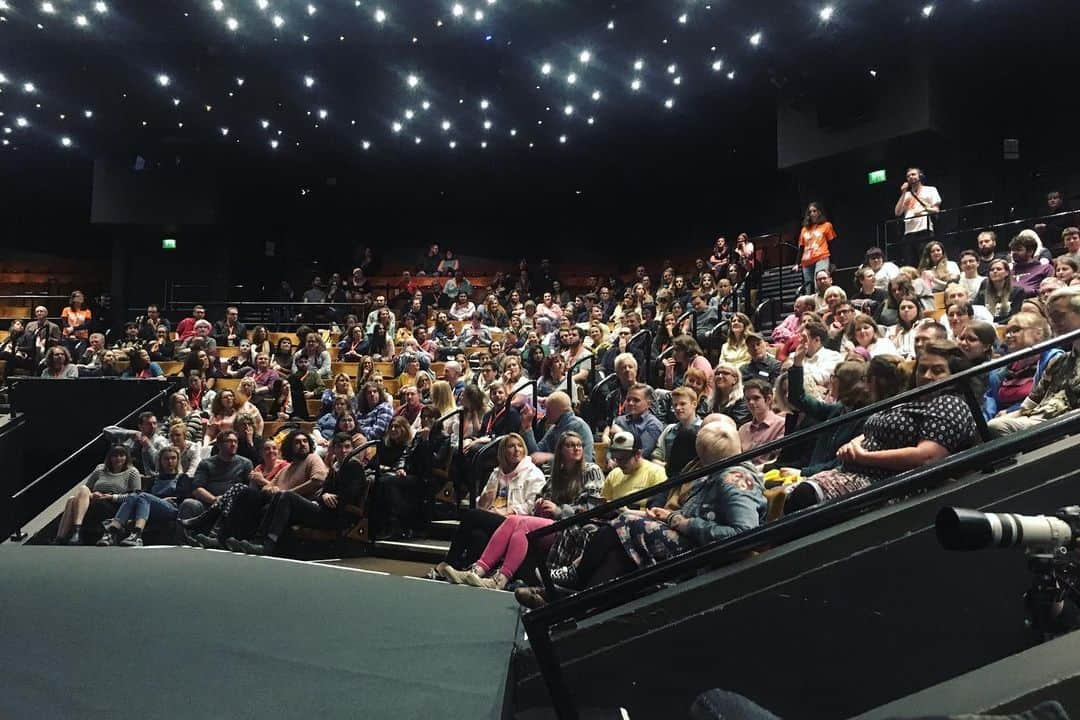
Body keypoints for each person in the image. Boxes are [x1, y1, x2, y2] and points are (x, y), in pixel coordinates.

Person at [544, 420, 764, 593]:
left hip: (705, 554)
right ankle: (575, 600)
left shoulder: (734, 481)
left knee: (626, 521)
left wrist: (683, 522)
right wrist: (669, 515)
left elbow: (744, 534)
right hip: (690, 539)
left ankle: (575, 575)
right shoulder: (718, 471)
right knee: (619, 554)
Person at [785, 341, 978, 512]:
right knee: (786, 494)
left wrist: (864, 456)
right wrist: (856, 441)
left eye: (937, 370)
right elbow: (876, 428)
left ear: (955, 373)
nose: (927, 376)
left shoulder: (950, 403)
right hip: (857, 472)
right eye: (922, 369)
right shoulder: (910, 400)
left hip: (891, 484)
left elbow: (928, 457)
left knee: (805, 496)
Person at [437, 431, 605, 589]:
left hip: (571, 526)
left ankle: (500, 578)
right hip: (548, 523)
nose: (576, 448)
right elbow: (542, 497)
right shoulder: (557, 474)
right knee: (504, 524)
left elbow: (591, 507)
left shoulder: (591, 470)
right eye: (570, 445)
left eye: (579, 445)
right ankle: (478, 570)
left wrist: (559, 510)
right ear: (561, 450)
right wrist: (541, 502)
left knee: (516, 521)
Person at [441, 434, 546, 571]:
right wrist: (483, 500)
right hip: (493, 516)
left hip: (515, 521)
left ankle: (448, 563)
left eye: (520, 446)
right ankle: (471, 570)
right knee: (478, 535)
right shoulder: (497, 473)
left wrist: (510, 511)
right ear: (503, 451)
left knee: (471, 515)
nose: (516, 450)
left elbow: (532, 506)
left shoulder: (533, 473)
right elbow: (483, 504)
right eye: (511, 446)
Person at [987, 288, 1080, 436]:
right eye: (1051, 317)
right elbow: (1030, 404)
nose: (1053, 322)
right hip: (1039, 420)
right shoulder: (1058, 362)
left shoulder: (1052, 356)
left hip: (1066, 428)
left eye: (1059, 315)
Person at [97, 446, 189, 547]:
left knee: (143, 496)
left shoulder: (182, 478)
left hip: (171, 509)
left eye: (173, 458)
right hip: (150, 507)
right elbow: (140, 498)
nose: (170, 461)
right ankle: (112, 532)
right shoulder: (154, 479)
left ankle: (136, 534)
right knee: (134, 496)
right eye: (166, 459)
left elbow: (182, 499)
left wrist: (161, 500)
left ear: (177, 460)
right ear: (160, 461)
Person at [53, 445, 142, 545]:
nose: (118, 458)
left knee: (72, 501)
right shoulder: (100, 469)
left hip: (114, 503)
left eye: (121, 455)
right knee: (74, 497)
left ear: (127, 457)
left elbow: (136, 497)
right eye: (115, 456)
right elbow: (87, 488)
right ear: (109, 457)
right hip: (95, 498)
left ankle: (70, 534)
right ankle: (66, 536)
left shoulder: (132, 472)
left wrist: (111, 497)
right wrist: (93, 494)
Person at [983, 313, 1062, 420]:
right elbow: (991, 400)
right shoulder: (1001, 369)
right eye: (1007, 332)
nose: (1008, 336)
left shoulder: (1054, 359)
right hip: (1001, 420)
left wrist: (1011, 411)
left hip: (1039, 418)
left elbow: (1050, 397)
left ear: (1038, 333)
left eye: (1015, 330)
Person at [521, 391, 595, 464]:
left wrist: (550, 457)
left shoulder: (579, 427)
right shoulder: (554, 428)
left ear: (557, 410)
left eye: (548, 410)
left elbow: (584, 461)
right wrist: (527, 427)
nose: (546, 415)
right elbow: (537, 454)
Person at [893, 167, 942, 266]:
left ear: (920, 176)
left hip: (924, 229)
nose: (911, 177)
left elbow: (936, 210)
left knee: (925, 260)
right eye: (908, 176)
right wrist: (903, 193)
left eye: (913, 174)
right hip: (909, 232)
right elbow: (897, 212)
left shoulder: (930, 190)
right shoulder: (906, 195)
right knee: (910, 262)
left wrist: (922, 211)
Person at [606, 383, 664, 460]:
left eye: (636, 400)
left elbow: (642, 453)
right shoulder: (620, 420)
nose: (630, 403)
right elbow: (611, 447)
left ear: (648, 404)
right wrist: (609, 459)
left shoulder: (653, 424)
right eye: (628, 399)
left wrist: (622, 433)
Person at [738, 380, 786, 466]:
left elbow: (778, 459)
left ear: (768, 399)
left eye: (756, 398)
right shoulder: (743, 429)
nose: (751, 402)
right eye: (748, 399)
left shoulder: (782, 425)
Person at [975, 258, 1026, 323]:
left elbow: (1015, 315)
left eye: (999, 269)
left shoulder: (1018, 292)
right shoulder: (982, 294)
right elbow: (976, 313)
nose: (995, 271)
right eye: (991, 270)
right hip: (987, 328)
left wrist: (997, 324)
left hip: (1008, 326)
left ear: (1007, 272)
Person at [1010, 232, 1055, 298]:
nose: (1014, 253)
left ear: (1030, 251)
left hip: (1033, 302)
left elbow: (1048, 290)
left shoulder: (1045, 268)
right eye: (1013, 250)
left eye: (1018, 250)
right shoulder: (1008, 270)